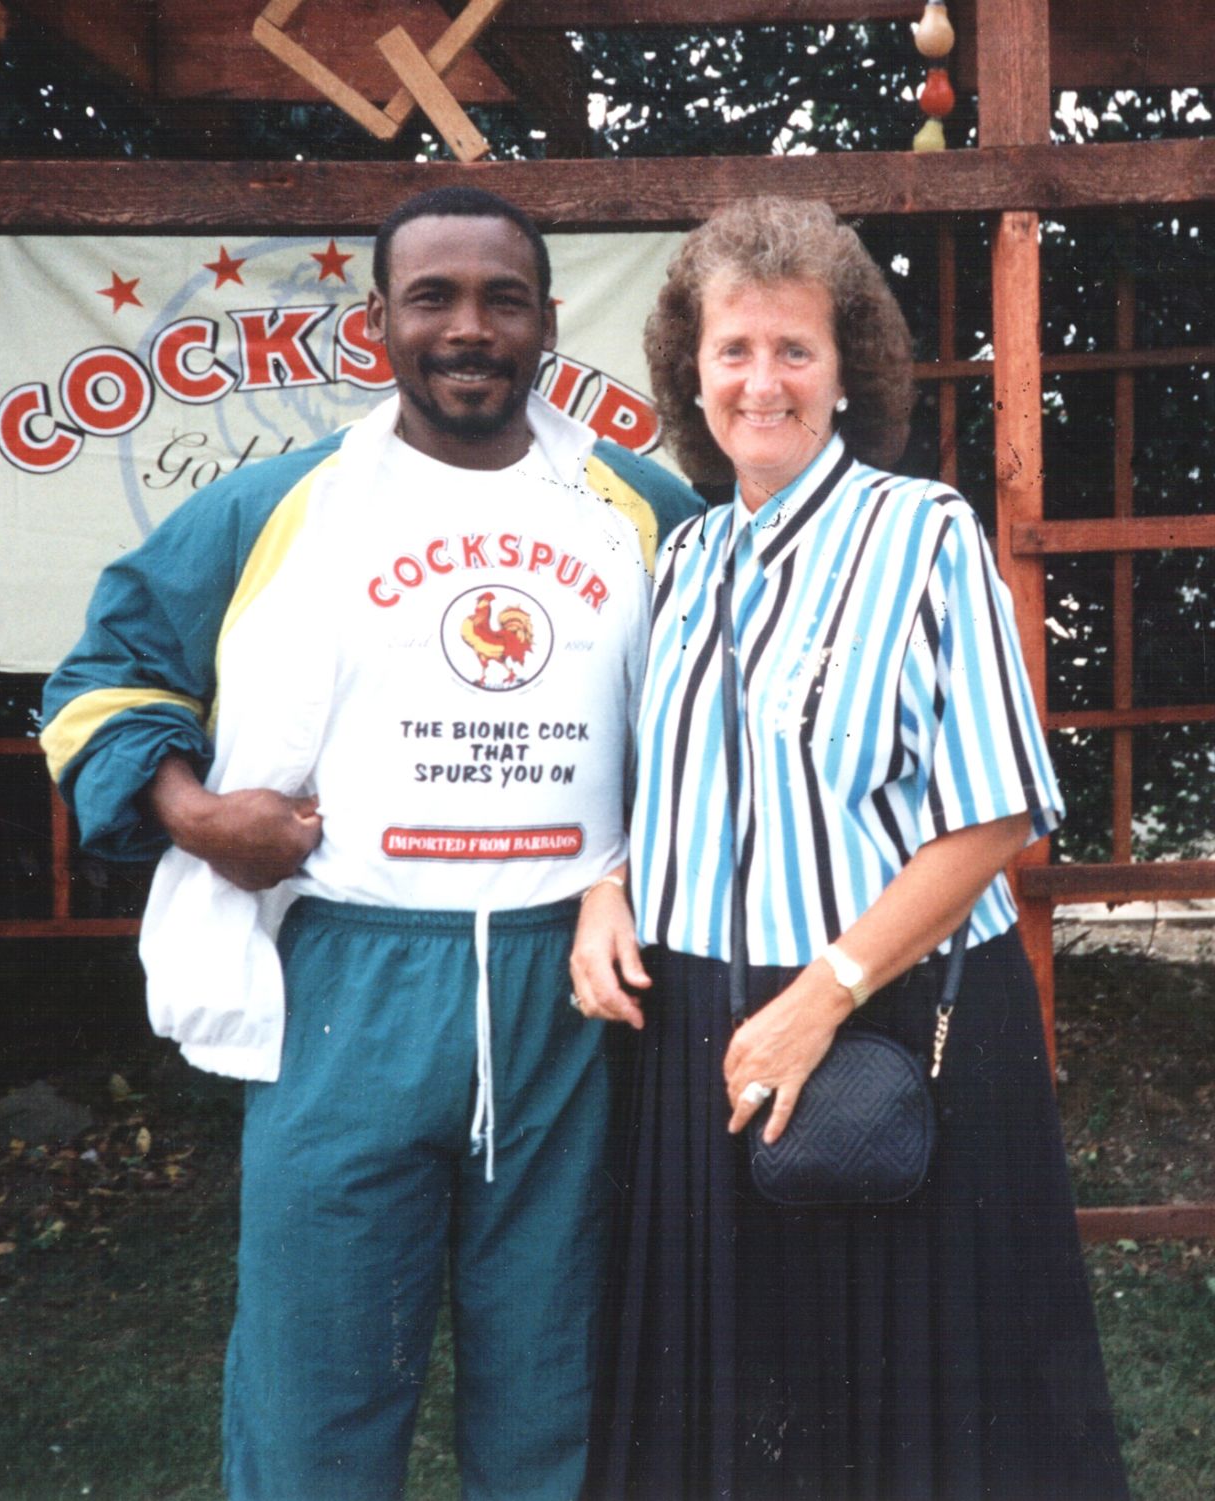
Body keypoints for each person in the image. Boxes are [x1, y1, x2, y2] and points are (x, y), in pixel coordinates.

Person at [40, 186, 697, 1501]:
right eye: (434, 297)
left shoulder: (643, 508)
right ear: (375, 324)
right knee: (314, 1390)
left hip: (575, 987)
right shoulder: (281, 508)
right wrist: (193, 814)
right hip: (349, 980)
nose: (470, 328)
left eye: (502, 299)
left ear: (551, 324)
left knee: (564, 1391)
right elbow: (100, 676)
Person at [572, 198, 1129, 1501]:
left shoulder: (924, 534)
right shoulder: (686, 558)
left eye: (795, 350)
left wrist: (819, 997)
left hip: (882, 1006)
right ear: (689, 371)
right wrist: (608, 885)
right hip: (701, 1021)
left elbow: (998, 811)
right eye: (734, 350)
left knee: (908, 1407)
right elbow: (670, 784)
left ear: (848, 370)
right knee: (734, 1407)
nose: (761, 381)